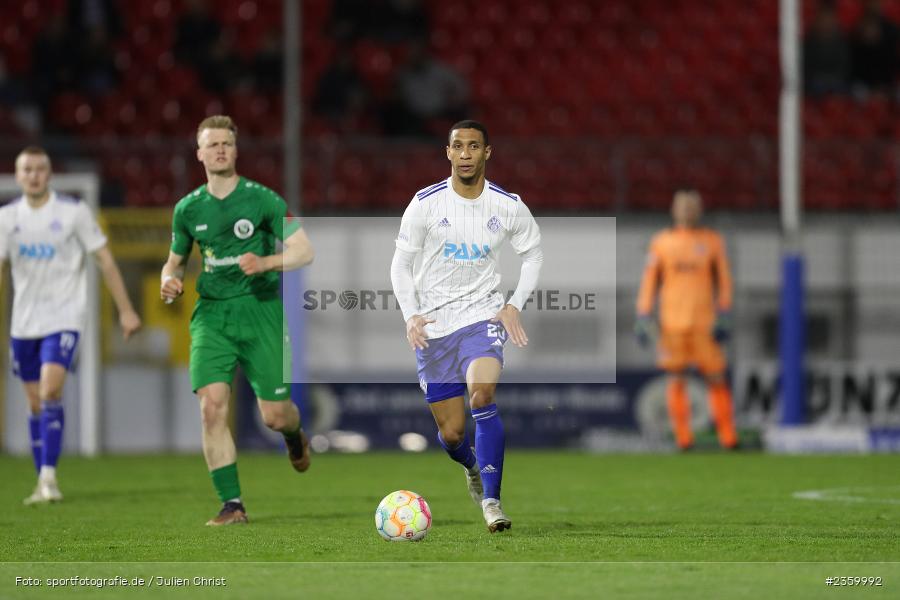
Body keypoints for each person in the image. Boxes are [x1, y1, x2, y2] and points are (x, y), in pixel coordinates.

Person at [159, 115, 315, 526]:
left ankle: (294, 436)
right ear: (200, 154)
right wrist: (169, 283)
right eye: (212, 145)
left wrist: (265, 261)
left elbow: (304, 251)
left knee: (275, 416)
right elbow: (172, 265)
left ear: (236, 149)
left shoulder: (264, 200)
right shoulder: (188, 209)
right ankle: (232, 504)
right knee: (212, 407)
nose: (220, 150)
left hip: (261, 312)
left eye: (226, 143)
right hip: (212, 317)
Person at [390, 120, 543, 532]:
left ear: (486, 153)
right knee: (454, 434)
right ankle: (472, 467)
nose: (465, 153)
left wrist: (512, 305)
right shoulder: (425, 203)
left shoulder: (506, 205)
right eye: (458, 146)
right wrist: (411, 316)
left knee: (482, 393)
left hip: (483, 317)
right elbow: (401, 265)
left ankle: (492, 502)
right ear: (448, 152)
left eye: (474, 146)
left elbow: (533, 255)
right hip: (436, 326)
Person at [0, 146, 142, 505]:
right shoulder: (7, 218)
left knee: (50, 390)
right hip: (24, 321)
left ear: (50, 174)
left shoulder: (73, 212)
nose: (33, 175)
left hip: (64, 317)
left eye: (39, 169)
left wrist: (126, 311)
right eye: (27, 169)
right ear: (18, 176)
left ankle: (48, 479)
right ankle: (42, 479)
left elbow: (105, 261)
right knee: (34, 402)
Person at [635, 189, 738, 451]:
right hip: (672, 325)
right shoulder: (661, 242)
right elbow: (650, 282)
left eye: (692, 205)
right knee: (675, 379)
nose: (688, 210)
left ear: (700, 210)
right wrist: (643, 314)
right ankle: (683, 439)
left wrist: (725, 312)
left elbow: (723, 280)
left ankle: (728, 438)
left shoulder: (712, 241)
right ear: (674, 210)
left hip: (705, 324)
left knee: (716, 377)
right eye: (683, 205)